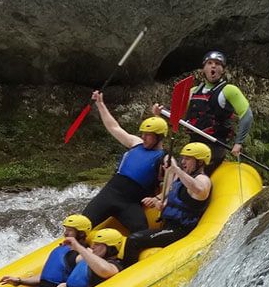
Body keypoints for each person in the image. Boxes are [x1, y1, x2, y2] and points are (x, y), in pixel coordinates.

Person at [153, 50, 253, 174]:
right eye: (209, 63)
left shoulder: (229, 90)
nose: (213, 66)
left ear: (223, 70)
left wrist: (238, 143)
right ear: (203, 68)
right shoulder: (193, 91)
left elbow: (247, 115)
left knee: (193, 174)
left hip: (214, 145)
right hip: (193, 143)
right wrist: (161, 111)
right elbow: (176, 114)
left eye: (218, 63)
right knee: (172, 172)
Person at [82, 91, 167, 233]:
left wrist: (157, 198)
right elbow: (114, 128)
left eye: (148, 135)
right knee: (81, 225)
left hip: (131, 203)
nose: (143, 137)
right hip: (109, 194)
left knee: (141, 232)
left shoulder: (165, 159)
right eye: (143, 134)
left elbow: (172, 184)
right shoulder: (136, 143)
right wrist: (100, 104)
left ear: (158, 137)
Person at [123, 142, 213, 265]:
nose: (183, 162)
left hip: (180, 231)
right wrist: (160, 203)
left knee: (134, 240)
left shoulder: (202, 179)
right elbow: (174, 201)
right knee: (136, 234)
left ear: (200, 162)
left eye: (188, 159)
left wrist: (176, 170)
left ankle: (126, 270)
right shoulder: (182, 179)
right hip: (168, 227)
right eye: (183, 158)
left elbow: (199, 189)